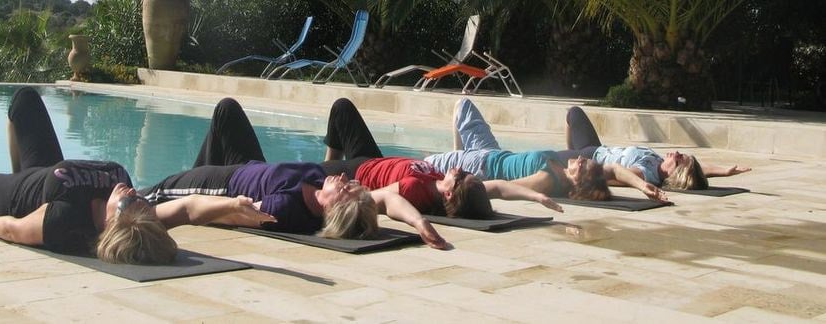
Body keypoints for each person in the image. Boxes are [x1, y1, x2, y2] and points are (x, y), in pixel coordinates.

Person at [0, 87, 187, 264]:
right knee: (25, 98)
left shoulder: (63, 221)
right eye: (141, 200)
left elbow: (13, 229)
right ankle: (18, 169)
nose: (131, 193)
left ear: (109, 224)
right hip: (48, 171)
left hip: (17, 194)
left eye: (128, 203)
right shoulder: (125, 197)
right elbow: (188, 209)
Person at [138, 98, 448, 249]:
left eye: (345, 189)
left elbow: (228, 212)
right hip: (250, 166)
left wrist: (222, 202)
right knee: (227, 109)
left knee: (146, 198)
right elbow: (389, 201)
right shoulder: (320, 189)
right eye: (350, 183)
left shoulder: (282, 209)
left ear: (332, 208)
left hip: (221, 185)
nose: (344, 179)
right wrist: (420, 222)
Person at [320, 98, 562, 218]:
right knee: (342, 107)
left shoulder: (417, 191)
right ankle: (328, 164)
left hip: (358, 173)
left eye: (460, 177)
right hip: (373, 160)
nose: (459, 169)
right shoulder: (443, 183)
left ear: (449, 193)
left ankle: (325, 172)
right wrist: (537, 196)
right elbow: (498, 187)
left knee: (306, 174)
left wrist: (419, 223)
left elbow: (379, 198)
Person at [424, 98, 614, 203]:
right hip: (491, 151)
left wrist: (462, 188)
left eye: (583, 165)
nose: (580, 158)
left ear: (577, 182)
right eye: (585, 160)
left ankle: (456, 161)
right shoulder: (560, 167)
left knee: (421, 166)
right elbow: (613, 170)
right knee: (463, 105)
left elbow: (503, 187)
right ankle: (456, 155)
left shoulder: (548, 180)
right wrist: (641, 184)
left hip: (480, 166)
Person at [559, 106, 752, 191]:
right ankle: (570, 151)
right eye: (681, 155)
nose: (676, 153)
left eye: (677, 160)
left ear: (673, 174)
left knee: (539, 159)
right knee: (573, 113)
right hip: (595, 148)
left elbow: (618, 176)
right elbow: (700, 169)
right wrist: (724, 171)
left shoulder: (646, 173)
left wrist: (582, 176)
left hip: (587, 159)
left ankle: (570, 156)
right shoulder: (660, 163)